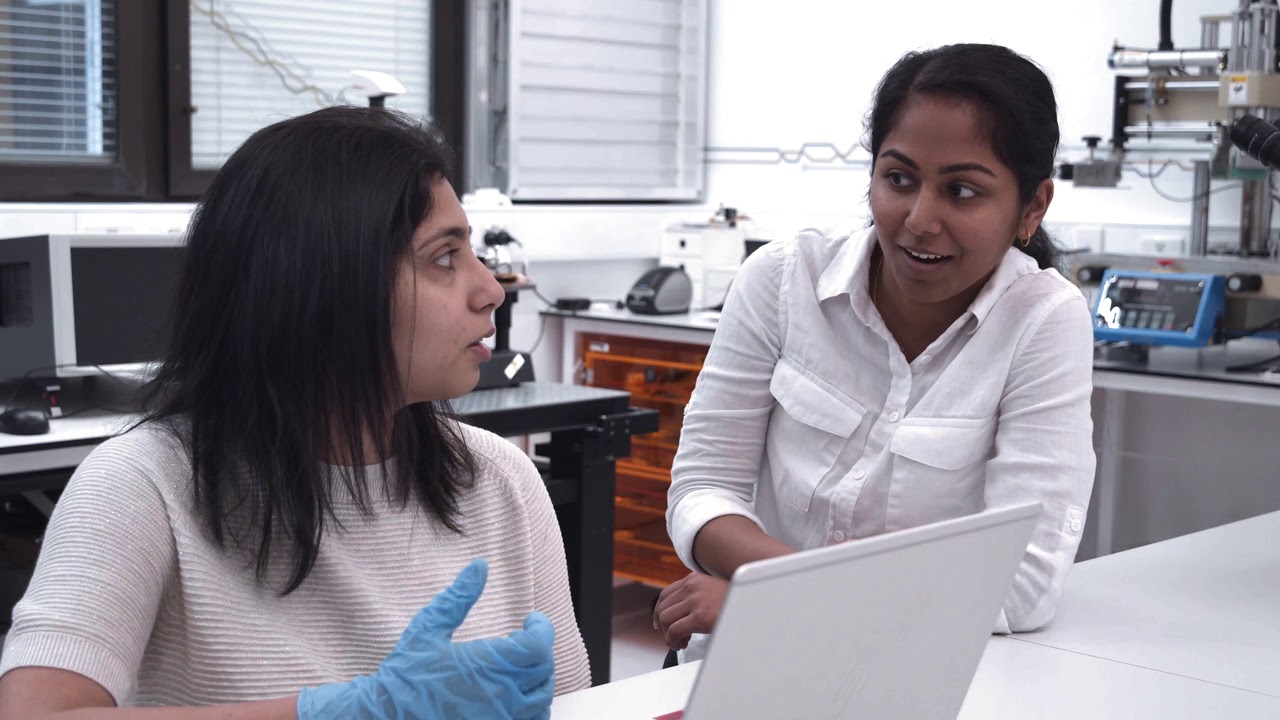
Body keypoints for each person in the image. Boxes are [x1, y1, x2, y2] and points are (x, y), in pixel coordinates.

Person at [0, 106, 591, 718]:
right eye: (444, 258)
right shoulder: (140, 484)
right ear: (325, 285)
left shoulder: (500, 478)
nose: (491, 289)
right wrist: (339, 711)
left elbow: (575, 705)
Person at [655, 43, 1096, 660]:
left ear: (1032, 207)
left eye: (962, 191)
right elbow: (703, 488)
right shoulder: (783, 277)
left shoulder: (1044, 319)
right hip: (746, 653)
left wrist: (775, 592)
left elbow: (1021, 585)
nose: (919, 219)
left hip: (914, 670)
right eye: (899, 178)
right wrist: (791, 593)